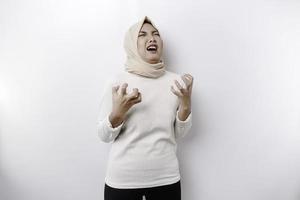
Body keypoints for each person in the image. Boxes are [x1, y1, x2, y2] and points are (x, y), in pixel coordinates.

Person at [97, 16, 194, 200]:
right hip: (122, 181)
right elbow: (103, 135)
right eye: (142, 35)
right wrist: (117, 114)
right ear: (132, 44)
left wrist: (186, 103)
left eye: (155, 34)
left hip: (166, 179)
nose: (152, 38)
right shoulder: (117, 81)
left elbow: (179, 134)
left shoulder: (176, 82)